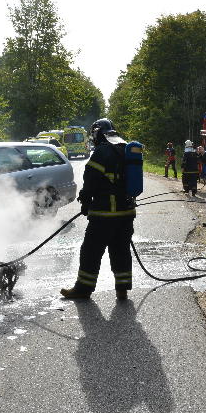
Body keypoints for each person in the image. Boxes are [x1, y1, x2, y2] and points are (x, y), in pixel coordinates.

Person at [60, 118, 137, 300]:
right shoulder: (126, 147)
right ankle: (122, 289)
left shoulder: (102, 151)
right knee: (121, 250)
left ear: (97, 133)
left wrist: (85, 201)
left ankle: (83, 289)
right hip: (126, 213)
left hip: (104, 213)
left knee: (91, 250)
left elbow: (91, 180)